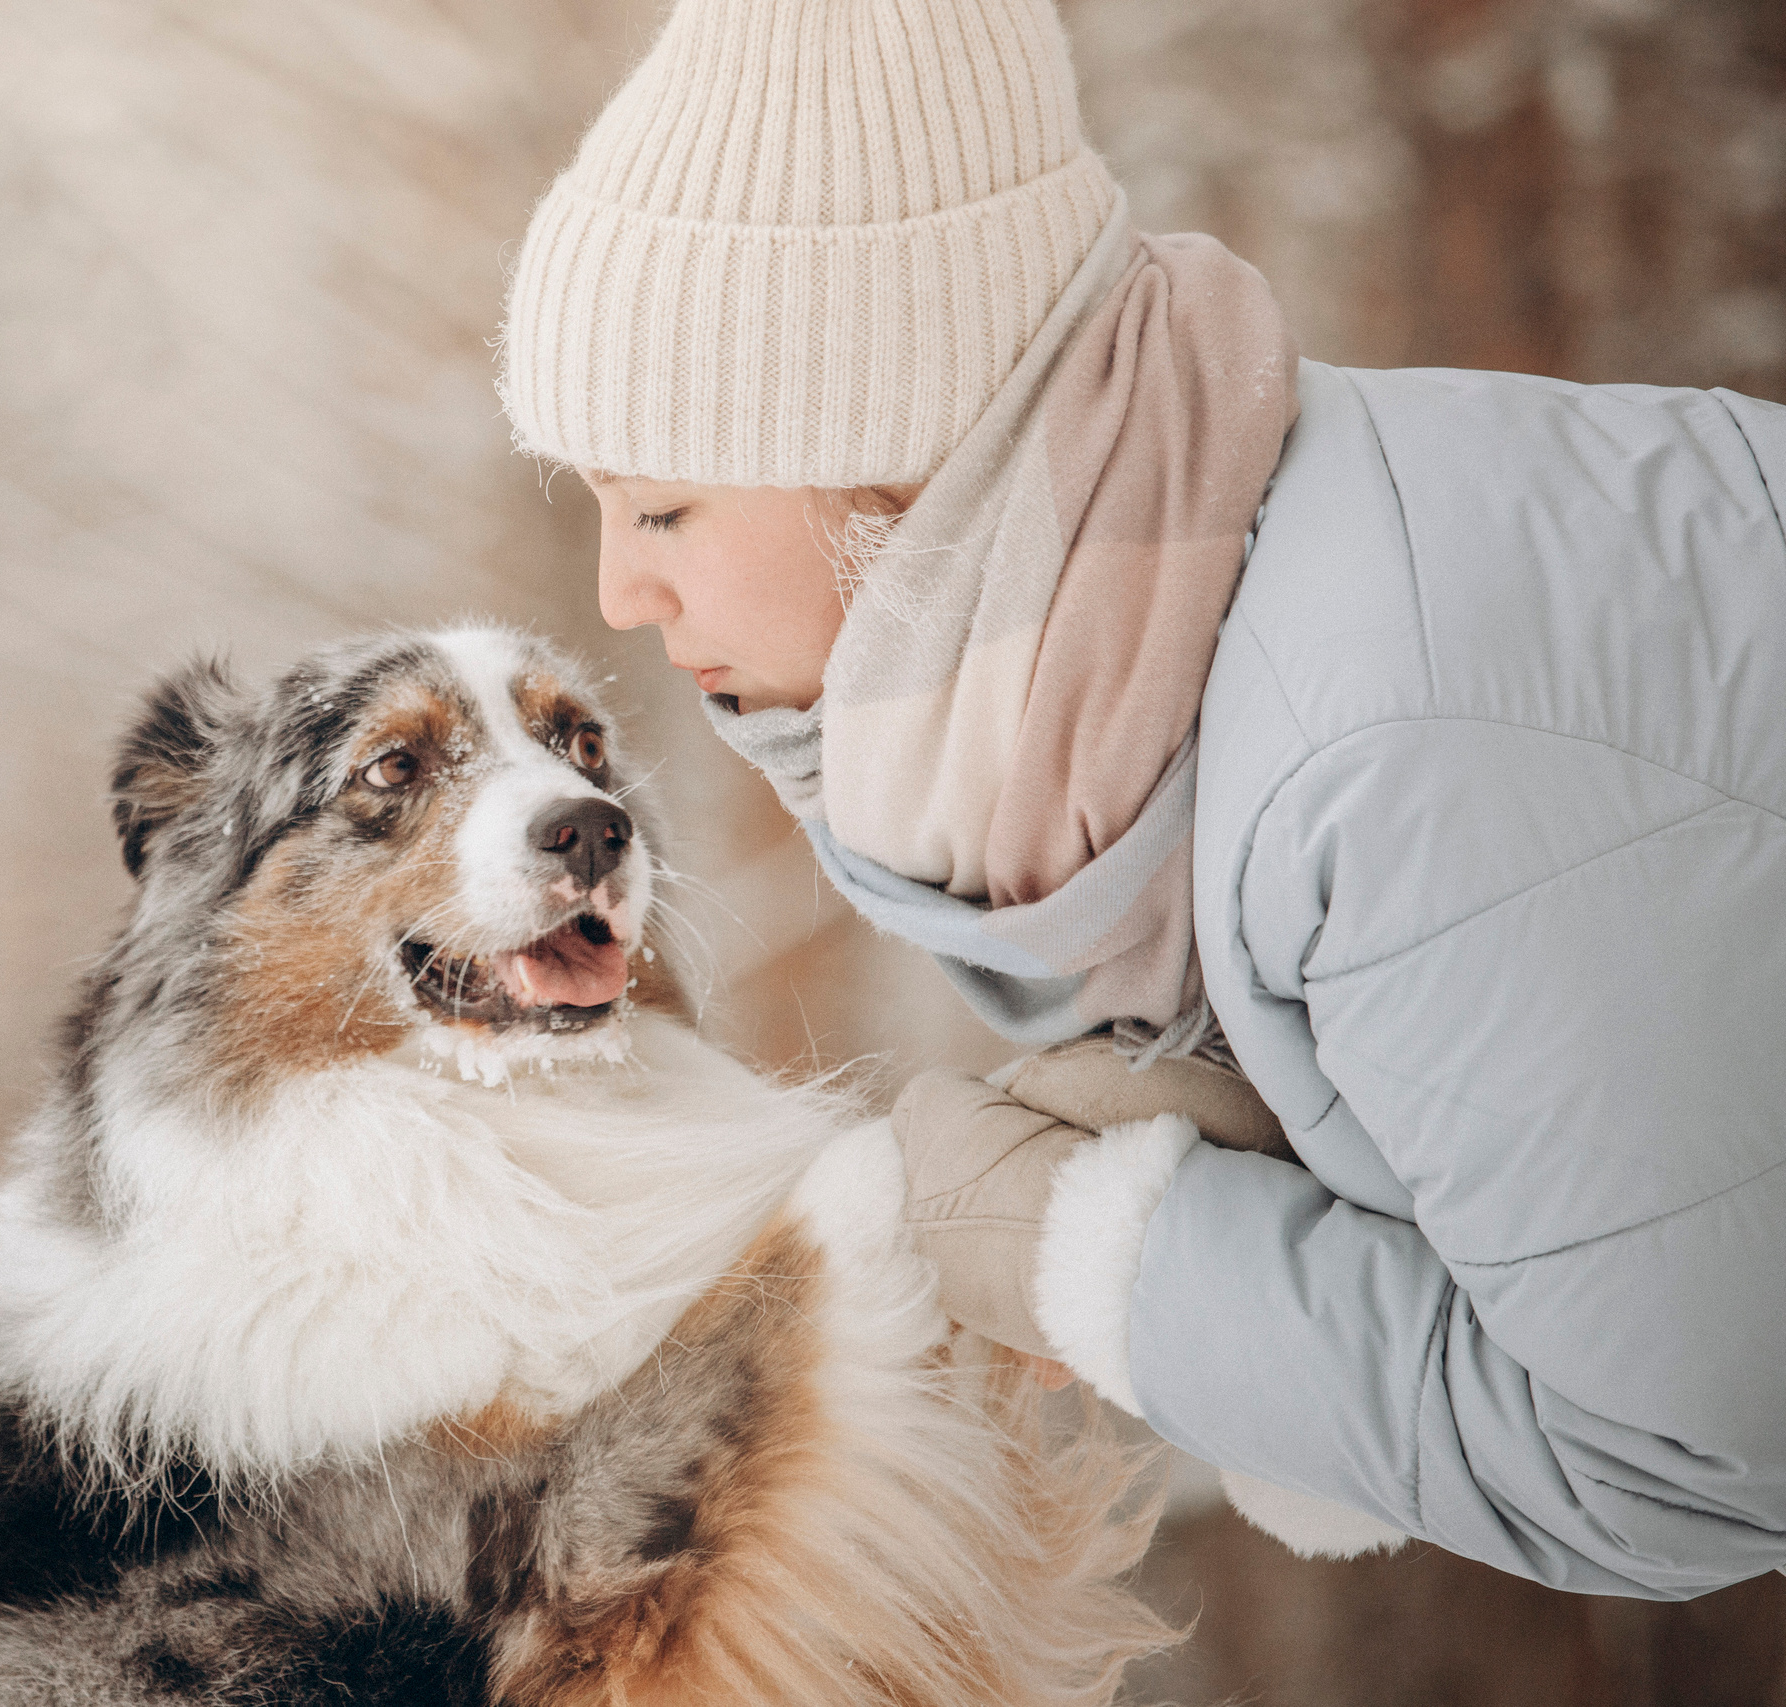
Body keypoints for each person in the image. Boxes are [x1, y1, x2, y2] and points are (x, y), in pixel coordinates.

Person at [497, 0, 1786, 1599]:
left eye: (665, 506)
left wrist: (1084, 1241)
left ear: (896, 461)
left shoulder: (1370, 743)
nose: (622, 590)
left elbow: (1685, 1459)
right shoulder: (1231, 635)